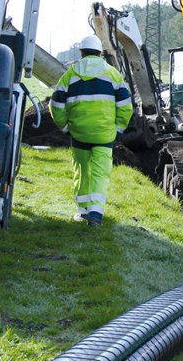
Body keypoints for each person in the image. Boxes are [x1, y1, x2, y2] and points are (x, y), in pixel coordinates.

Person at [50, 35, 133, 226]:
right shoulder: (112, 74)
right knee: (100, 172)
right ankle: (96, 213)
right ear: (100, 52)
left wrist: (65, 126)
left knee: (81, 170)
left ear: (82, 52)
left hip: (79, 132)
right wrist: (118, 129)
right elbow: (126, 106)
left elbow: (56, 104)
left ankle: (82, 211)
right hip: (104, 133)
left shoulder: (69, 75)